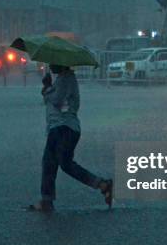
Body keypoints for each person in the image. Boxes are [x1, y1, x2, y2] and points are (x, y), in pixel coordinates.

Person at [29, 64, 113, 212]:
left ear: (61, 63)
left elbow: (56, 100)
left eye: (53, 63)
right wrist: (48, 88)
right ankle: (47, 200)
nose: (50, 66)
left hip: (64, 128)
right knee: (53, 164)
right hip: (58, 127)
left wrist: (47, 87)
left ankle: (102, 185)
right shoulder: (61, 79)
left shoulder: (67, 79)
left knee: (60, 163)